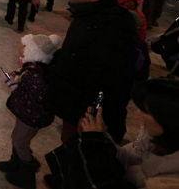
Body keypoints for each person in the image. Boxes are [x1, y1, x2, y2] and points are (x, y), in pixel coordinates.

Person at [46, 0, 138, 144]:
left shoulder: (112, 29)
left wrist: (92, 112)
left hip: (88, 109)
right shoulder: (86, 15)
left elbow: (110, 77)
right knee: (68, 138)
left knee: (79, 146)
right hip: (74, 99)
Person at [44, 78, 179, 189]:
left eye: (145, 111)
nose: (138, 114)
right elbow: (124, 157)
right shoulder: (152, 137)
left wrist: (93, 141)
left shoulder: (171, 177)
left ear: (168, 120)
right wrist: (100, 136)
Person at [0, 34, 63, 189]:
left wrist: (13, 85)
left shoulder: (37, 77)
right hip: (27, 114)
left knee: (20, 142)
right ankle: (15, 163)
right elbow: (24, 78)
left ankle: (26, 175)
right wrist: (17, 76)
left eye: (25, 49)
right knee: (16, 137)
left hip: (32, 117)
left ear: (35, 54)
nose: (21, 51)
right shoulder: (34, 69)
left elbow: (29, 96)